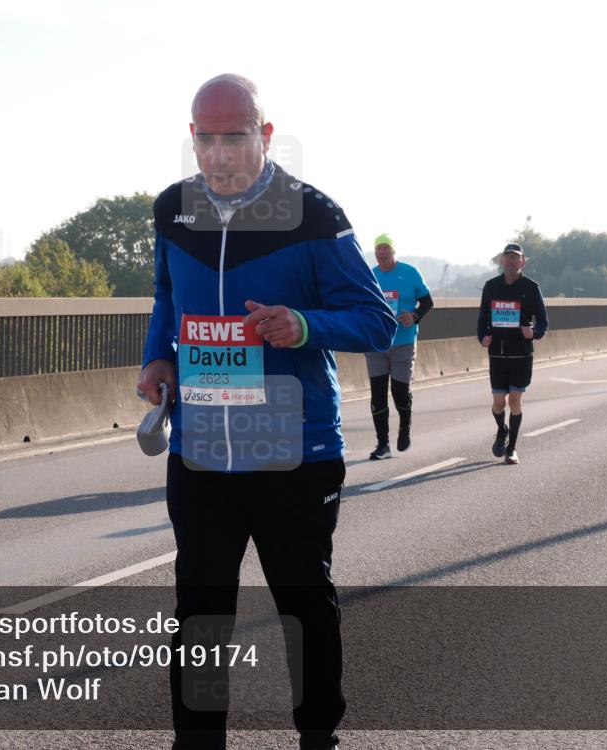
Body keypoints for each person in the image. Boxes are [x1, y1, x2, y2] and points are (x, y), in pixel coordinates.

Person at [137, 74, 396, 750]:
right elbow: (166, 297)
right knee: (200, 611)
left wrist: (303, 325)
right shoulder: (172, 210)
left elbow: (376, 319)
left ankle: (318, 737)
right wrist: (157, 358)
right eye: (207, 139)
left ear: (267, 135)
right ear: (192, 137)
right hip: (202, 451)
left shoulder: (313, 214)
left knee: (303, 605)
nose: (219, 154)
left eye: (236, 137)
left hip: (294, 452)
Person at [476, 242, 548, 465]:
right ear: (502, 260)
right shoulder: (491, 287)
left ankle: (512, 449)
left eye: (516, 257)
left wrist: (533, 332)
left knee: (515, 400)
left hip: (521, 354)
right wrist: (483, 337)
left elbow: (543, 322)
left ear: (523, 261)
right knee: (499, 403)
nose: (511, 261)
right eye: (508, 257)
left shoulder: (531, 287)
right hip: (497, 353)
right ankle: (502, 429)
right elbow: (482, 319)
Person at [365, 234, 434, 459]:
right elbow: (361, 305)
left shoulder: (410, 272)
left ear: (393, 251)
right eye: (378, 249)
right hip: (376, 343)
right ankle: (382, 444)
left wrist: (414, 316)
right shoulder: (370, 276)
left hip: (403, 342)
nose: (382, 252)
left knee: (399, 392)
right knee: (377, 394)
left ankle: (405, 427)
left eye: (386, 248)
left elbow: (428, 302)